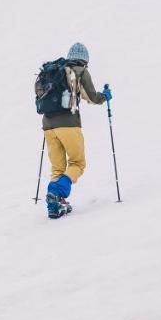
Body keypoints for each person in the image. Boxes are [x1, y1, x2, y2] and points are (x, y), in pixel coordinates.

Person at [43, 43, 111, 219]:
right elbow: (92, 97)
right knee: (77, 163)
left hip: (48, 126)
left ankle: (54, 203)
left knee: (58, 168)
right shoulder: (79, 70)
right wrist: (105, 96)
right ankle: (56, 192)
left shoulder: (55, 71)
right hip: (69, 124)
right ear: (85, 59)